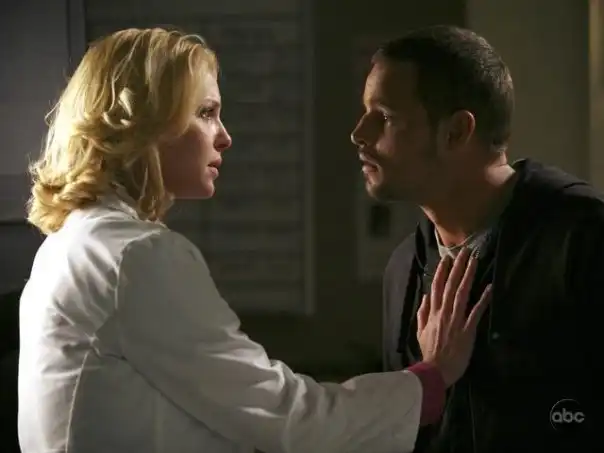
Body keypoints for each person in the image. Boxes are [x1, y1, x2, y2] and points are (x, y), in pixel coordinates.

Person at [17, 27, 491, 453]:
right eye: (206, 113)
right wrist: (432, 379)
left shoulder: (68, 244)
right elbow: (288, 420)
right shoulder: (137, 256)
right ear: (142, 122)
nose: (224, 137)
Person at [351, 25, 600, 452]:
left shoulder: (581, 239)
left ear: (456, 132)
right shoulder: (405, 268)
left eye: (386, 117)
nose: (359, 133)